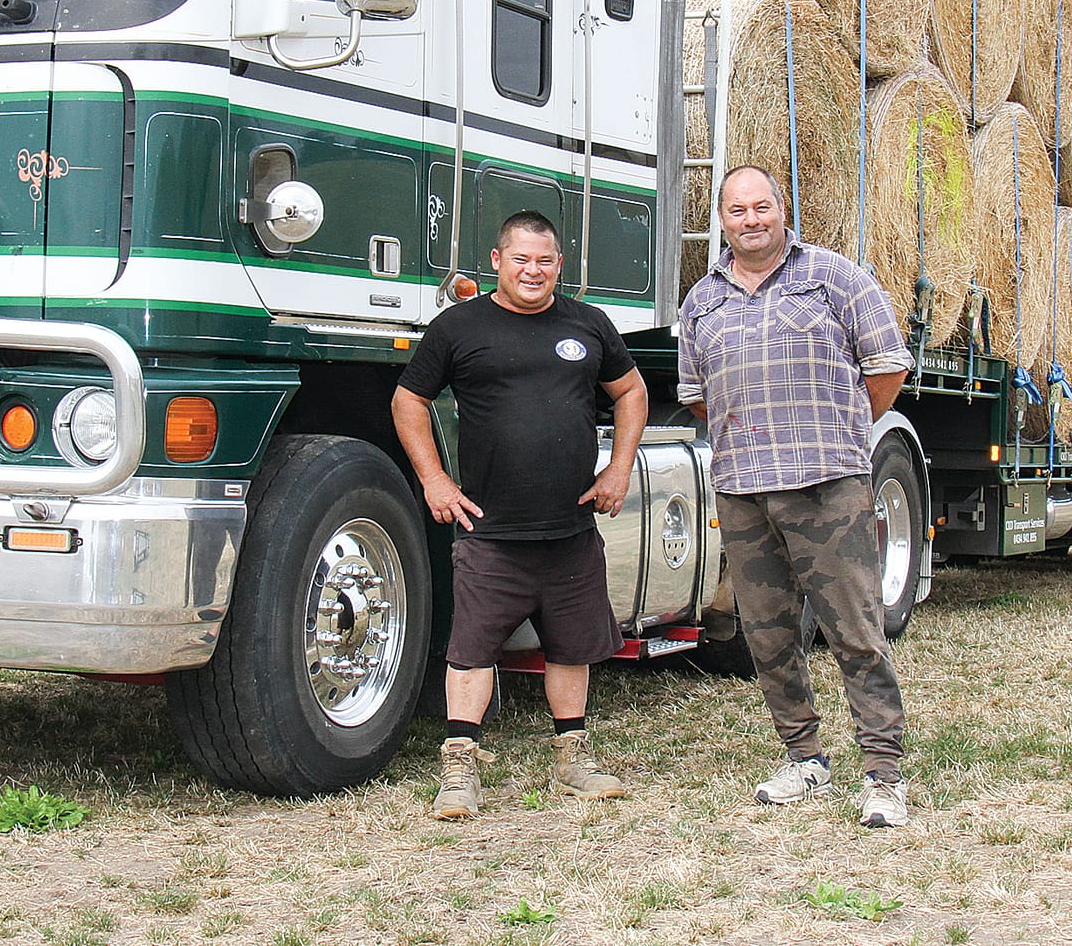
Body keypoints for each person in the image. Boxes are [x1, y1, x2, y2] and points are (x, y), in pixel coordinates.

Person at [677, 165, 916, 829]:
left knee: (855, 629)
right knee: (767, 632)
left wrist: (836, 432)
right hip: (745, 490)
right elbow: (697, 394)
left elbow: (888, 365)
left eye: (762, 206)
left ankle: (883, 774)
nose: (750, 219)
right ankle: (803, 756)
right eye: (736, 209)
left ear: (783, 211)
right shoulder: (701, 299)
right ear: (721, 219)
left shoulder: (835, 277)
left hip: (827, 483)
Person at [392, 210, 649, 820]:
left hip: (571, 527)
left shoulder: (589, 324)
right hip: (491, 531)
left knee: (572, 647)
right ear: (497, 262)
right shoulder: (459, 327)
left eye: (545, 260)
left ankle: (573, 760)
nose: (533, 271)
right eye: (521, 259)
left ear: (560, 265)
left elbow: (632, 391)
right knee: (471, 650)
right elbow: (408, 401)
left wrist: (618, 468)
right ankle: (459, 768)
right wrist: (434, 479)